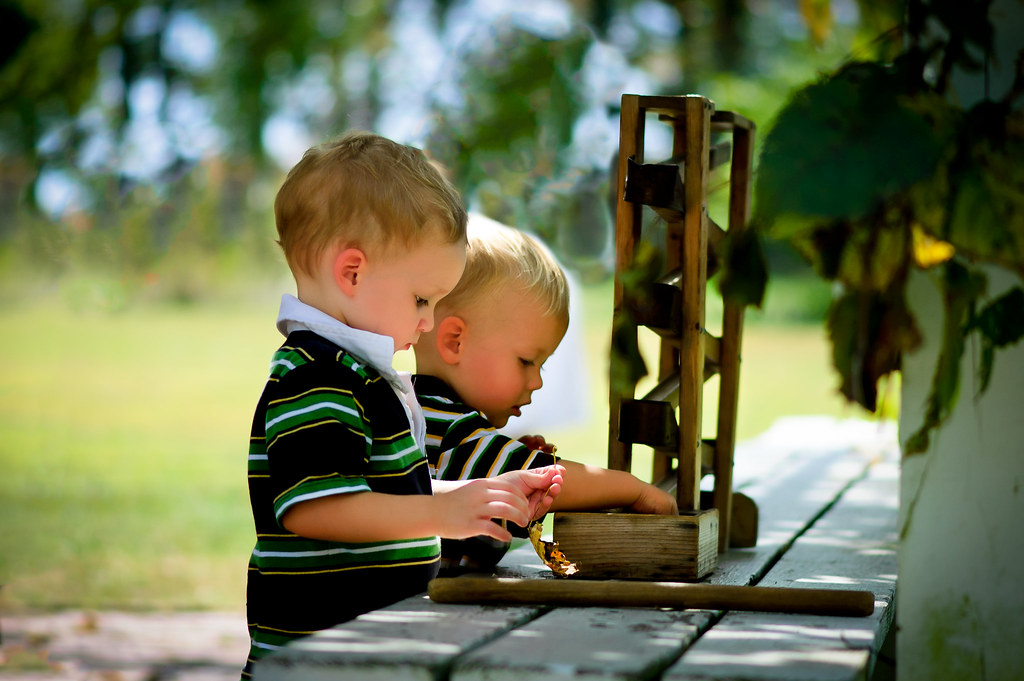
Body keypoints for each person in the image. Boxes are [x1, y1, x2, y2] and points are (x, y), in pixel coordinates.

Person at [242, 133, 564, 677]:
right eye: (421, 299)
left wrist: (476, 495)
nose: (429, 321)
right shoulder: (317, 378)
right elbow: (316, 507)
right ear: (353, 272)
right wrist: (439, 513)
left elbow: (378, 498)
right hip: (318, 661)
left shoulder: (362, 376)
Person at [412, 215, 678, 573]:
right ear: (455, 342)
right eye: (526, 361)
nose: (536, 382)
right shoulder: (445, 426)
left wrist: (504, 450)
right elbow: (540, 479)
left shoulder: (430, 416)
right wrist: (633, 489)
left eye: (543, 366)